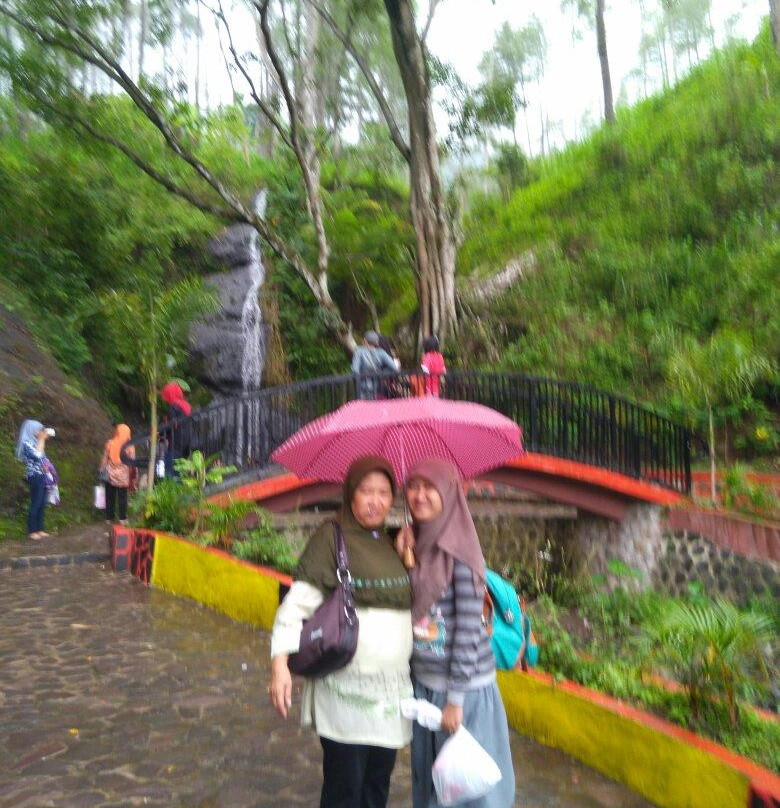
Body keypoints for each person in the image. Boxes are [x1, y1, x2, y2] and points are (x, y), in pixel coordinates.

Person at [268, 456, 413, 808]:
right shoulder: (331, 538)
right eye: (366, 491)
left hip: (389, 697)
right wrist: (279, 665)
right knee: (344, 790)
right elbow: (296, 605)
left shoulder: (393, 542)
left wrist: (411, 552)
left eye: (383, 493)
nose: (375, 501)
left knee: (376, 787)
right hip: (345, 694)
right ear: (350, 494)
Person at [396, 458, 515, 808]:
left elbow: (466, 629)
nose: (419, 495)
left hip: (463, 690)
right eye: (413, 487)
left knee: (469, 790)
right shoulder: (416, 544)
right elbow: (414, 610)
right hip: (426, 685)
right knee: (436, 782)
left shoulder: (460, 550)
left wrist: (456, 699)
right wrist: (404, 554)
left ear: (448, 493)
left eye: (429, 487)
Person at [15, 419, 54, 540]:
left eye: (42, 430)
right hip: (35, 475)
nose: (41, 432)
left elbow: (42, 458)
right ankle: (32, 531)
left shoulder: (36, 442)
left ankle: (40, 529)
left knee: (42, 503)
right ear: (31, 430)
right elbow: (37, 456)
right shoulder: (26, 444)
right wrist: (42, 439)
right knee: (36, 503)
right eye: (39, 429)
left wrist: (47, 467)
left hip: (43, 475)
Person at [99, 424, 136, 524]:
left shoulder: (110, 443)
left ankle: (109, 518)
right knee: (122, 497)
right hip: (123, 476)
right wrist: (133, 474)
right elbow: (132, 461)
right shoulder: (130, 446)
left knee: (110, 496)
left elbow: (105, 458)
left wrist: (101, 469)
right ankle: (122, 518)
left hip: (110, 474)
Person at [352, 330, 397, 400]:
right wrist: (381, 373)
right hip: (377, 386)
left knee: (364, 405)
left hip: (362, 386)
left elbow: (355, 370)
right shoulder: (381, 352)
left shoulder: (359, 351)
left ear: (365, 341)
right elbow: (394, 368)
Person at [160, 381, 192, 475]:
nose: (166, 400)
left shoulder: (174, 406)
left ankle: (170, 481)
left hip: (177, 440)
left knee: (171, 467)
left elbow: (173, 425)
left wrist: (161, 432)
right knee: (182, 466)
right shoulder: (186, 405)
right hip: (187, 439)